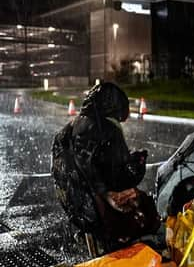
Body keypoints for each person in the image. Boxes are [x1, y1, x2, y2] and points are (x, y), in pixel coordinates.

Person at [51, 82, 160, 253]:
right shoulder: (108, 129)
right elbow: (121, 178)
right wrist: (139, 162)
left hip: (74, 206)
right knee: (145, 202)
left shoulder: (69, 128)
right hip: (98, 211)